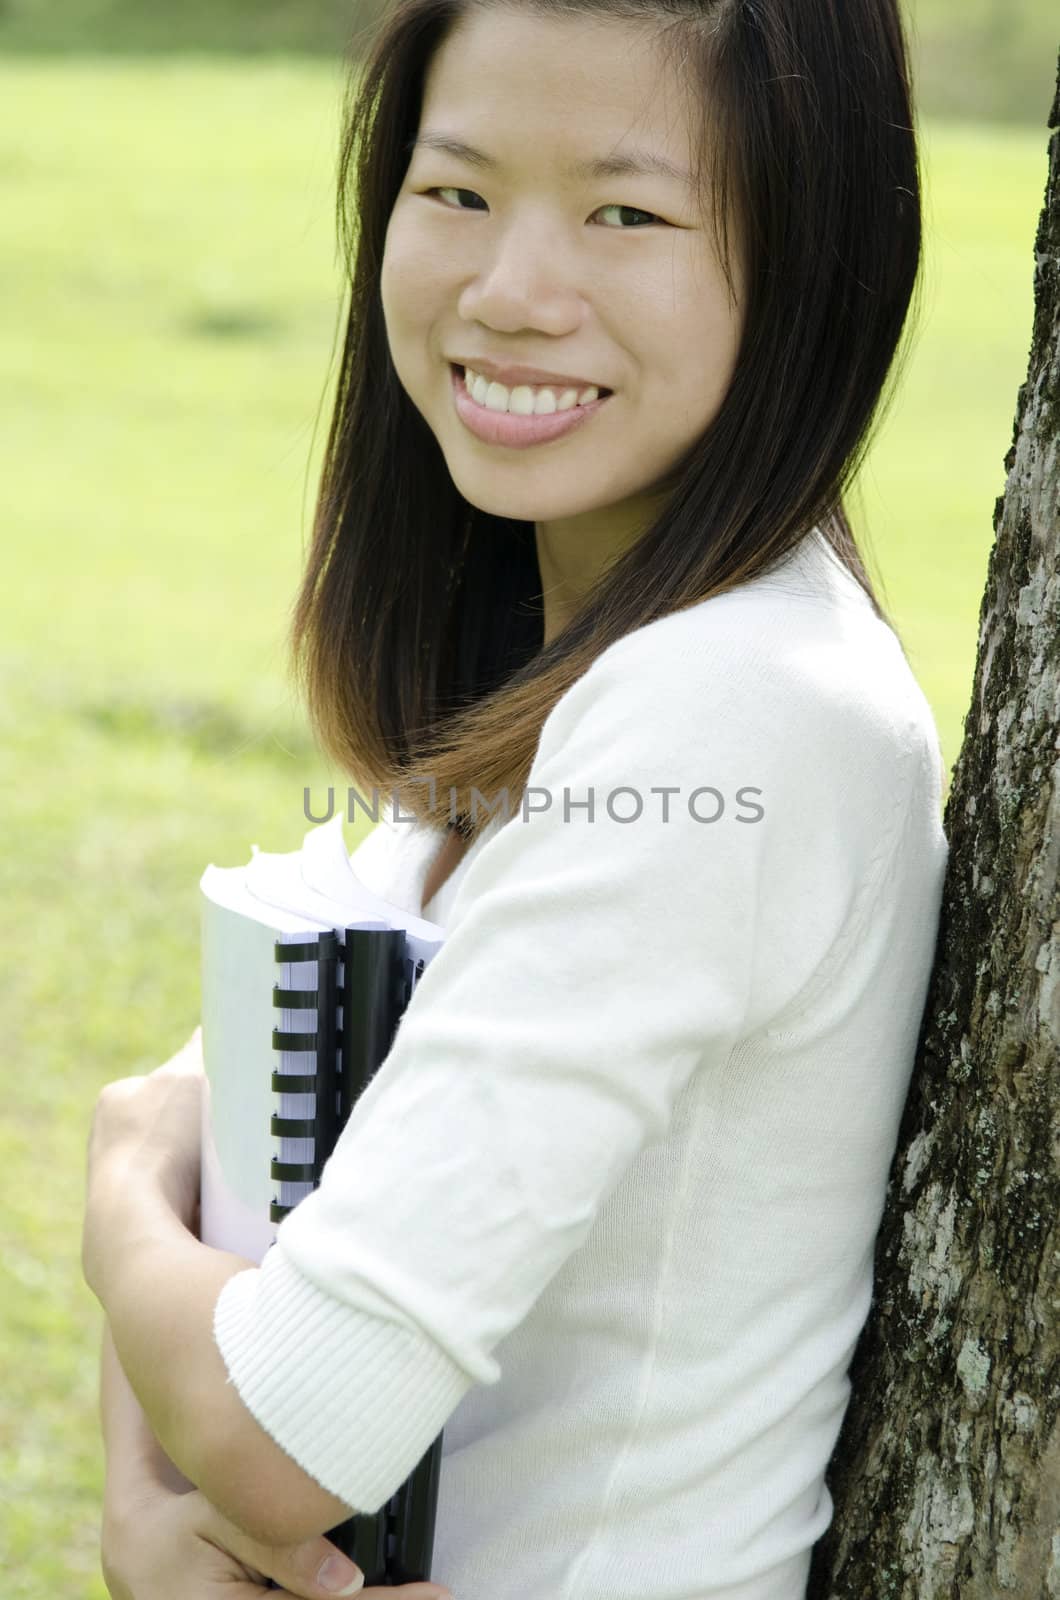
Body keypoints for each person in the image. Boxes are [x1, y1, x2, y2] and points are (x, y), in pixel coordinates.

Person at [83, 2, 950, 1598]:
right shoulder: (584, 672)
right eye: (458, 190)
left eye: (626, 212)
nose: (508, 291)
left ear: (816, 260)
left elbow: (284, 1431)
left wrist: (116, 1188)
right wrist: (155, 1509)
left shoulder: (731, 711)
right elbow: (263, 1275)